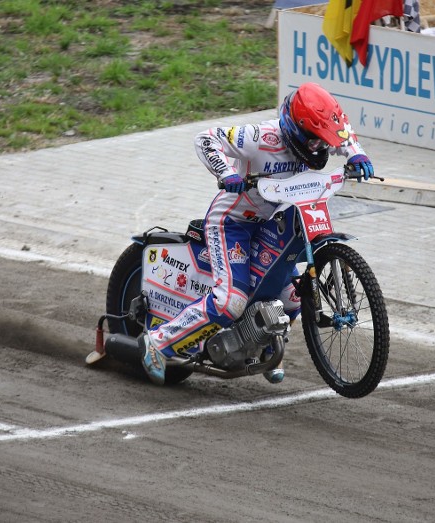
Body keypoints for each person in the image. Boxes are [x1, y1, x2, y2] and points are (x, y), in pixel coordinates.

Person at [140, 82, 375, 386]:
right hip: (232, 222)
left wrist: (357, 153)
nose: (320, 148)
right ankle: (158, 341)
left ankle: (260, 346)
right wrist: (226, 173)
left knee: (292, 298)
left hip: (269, 220)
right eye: (314, 141)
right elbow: (205, 139)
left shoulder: (318, 131)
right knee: (231, 302)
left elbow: (342, 132)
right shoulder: (260, 138)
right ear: (294, 128)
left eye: (322, 142)